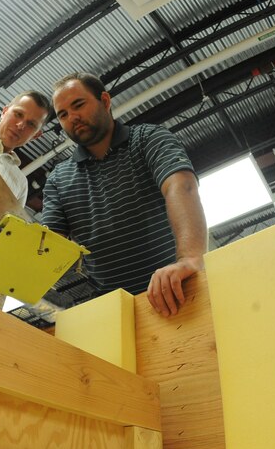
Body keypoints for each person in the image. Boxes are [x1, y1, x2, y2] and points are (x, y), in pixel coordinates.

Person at [42, 72, 207, 318]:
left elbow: (180, 186)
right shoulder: (57, 179)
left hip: (178, 289)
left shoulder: (148, 138)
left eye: (78, 105)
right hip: (114, 311)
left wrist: (190, 258)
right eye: (62, 114)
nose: (72, 118)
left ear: (105, 101)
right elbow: (48, 242)